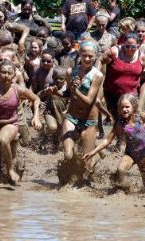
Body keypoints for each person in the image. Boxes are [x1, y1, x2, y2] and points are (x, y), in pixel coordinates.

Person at [0, 60, 42, 185]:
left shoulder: (18, 89)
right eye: (3, 72)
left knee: (2, 139)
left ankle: (11, 170)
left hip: (11, 125)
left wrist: (36, 116)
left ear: (14, 76)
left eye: (9, 73)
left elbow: (36, 99)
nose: (6, 75)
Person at [84, 94, 145, 192]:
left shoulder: (140, 116)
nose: (124, 109)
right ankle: (122, 190)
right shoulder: (119, 124)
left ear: (134, 107)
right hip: (130, 153)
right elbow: (107, 140)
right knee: (120, 169)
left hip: (144, 154)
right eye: (122, 107)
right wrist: (93, 152)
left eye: (127, 107)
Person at [58, 40, 104, 186]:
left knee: (87, 162)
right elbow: (67, 93)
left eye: (91, 56)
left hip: (89, 122)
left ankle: (89, 169)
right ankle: (66, 182)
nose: (87, 59)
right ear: (79, 54)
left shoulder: (97, 75)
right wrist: (57, 92)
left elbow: (89, 100)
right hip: (72, 117)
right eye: (84, 55)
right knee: (68, 154)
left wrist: (74, 90)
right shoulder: (71, 72)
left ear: (96, 56)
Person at [102, 32, 145, 119]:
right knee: (118, 121)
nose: (129, 49)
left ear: (138, 45)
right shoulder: (114, 51)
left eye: (133, 47)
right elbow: (101, 60)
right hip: (113, 94)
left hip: (131, 96)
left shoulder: (142, 57)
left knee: (131, 121)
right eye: (127, 46)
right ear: (123, 44)